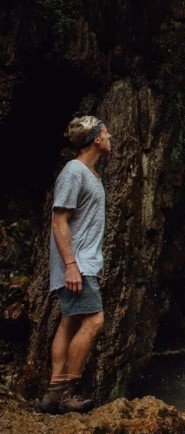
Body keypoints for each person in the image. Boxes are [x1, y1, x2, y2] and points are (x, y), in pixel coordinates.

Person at [39, 116, 111, 413]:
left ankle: (53, 395)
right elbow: (58, 221)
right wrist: (71, 265)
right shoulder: (74, 172)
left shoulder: (91, 174)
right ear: (95, 139)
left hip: (84, 262)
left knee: (70, 322)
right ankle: (66, 391)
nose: (111, 136)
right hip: (77, 263)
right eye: (106, 132)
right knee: (94, 321)